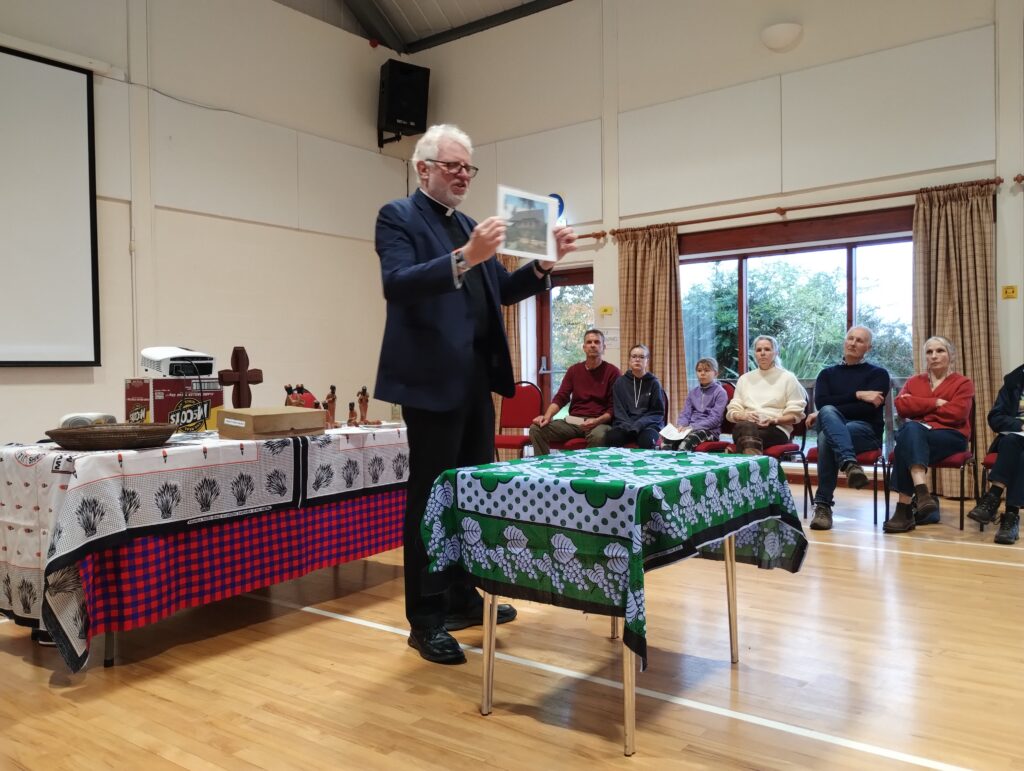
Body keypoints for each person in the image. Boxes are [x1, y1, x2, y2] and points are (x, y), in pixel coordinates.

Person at [374, 124, 577, 664]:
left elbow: (500, 292)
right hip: (428, 383)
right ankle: (425, 618)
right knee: (431, 500)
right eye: (453, 166)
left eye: (469, 167)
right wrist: (466, 256)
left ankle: (464, 597)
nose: (464, 175)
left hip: (473, 383)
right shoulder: (398, 216)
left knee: (472, 496)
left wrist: (540, 267)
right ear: (424, 169)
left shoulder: (468, 225)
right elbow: (398, 283)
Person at [883, 335, 974, 534]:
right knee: (911, 432)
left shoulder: (963, 383)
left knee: (907, 438)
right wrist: (935, 403)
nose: (934, 356)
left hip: (951, 436)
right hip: (919, 436)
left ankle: (904, 510)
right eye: (929, 352)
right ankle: (922, 493)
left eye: (940, 351)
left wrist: (917, 404)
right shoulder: (915, 381)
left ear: (951, 355)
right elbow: (901, 406)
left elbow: (957, 414)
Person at [806, 326, 890, 531]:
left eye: (860, 340)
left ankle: (823, 505)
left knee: (827, 432)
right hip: (840, 430)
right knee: (827, 416)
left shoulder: (878, 374)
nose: (853, 343)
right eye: (850, 338)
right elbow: (822, 403)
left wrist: (832, 409)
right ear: (844, 342)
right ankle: (850, 465)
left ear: (868, 347)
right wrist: (858, 395)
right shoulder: (826, 374)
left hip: (866, 431)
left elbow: (867, 411)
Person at [529, 329, 619, 455]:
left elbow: (613, 408)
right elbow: (561, 397)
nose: (593, 345)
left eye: (597, 342)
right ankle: (544, 466)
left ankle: (590, 472)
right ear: (584, 347)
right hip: (574, 422)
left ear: (603, 347)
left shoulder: (613, 372)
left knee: (599, 436)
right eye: (589, 342)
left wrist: (597, 421)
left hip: (599, 422)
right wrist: (547, 416)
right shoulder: (574, 370)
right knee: (536, 429)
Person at [966, 362, 1023, 545]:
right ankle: (1010, 518)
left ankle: (992, 498)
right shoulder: (1014, 381)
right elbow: (995, 418)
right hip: (1015, 439)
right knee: (1012, 444)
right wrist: (1020, 425)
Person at [725, 335, 807, 455]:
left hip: (776, 429)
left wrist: (772, 420)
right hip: (744, 426)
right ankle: (755, 468)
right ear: (755, 354)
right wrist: (744, 415)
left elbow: (795, 415)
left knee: (745, 438)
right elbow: (732, 412)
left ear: (776, 352)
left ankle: (748, 463)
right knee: (747, 426)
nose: (762, 353)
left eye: (767, 349)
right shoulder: (744, 379)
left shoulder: (788, 378)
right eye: (759, 350)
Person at [605, 344, 665, 449]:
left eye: (642, 357)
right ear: (629, 360)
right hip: (625, 425)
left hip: (648, 426)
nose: (637, 359)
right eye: (634, 356)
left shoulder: (654, 383)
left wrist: (639, 424)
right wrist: (629, 426)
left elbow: (657, 412)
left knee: (647, 441)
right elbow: (619, 410)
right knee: (612, 438)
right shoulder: (620, 382)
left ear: (647, 361)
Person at [670, 357, 728, 451]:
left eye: (707, 370)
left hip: (710, 431)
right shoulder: (693, 392)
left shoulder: (720, 392)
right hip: (690, 429)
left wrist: (692, 427)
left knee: (684, 445)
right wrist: (681, 425)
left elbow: (715, 419)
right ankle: (667, 465)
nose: (702, 373)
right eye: (699, 370)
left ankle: (683, 465)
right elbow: (685, 413)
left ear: (716, 373)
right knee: (667, 442)